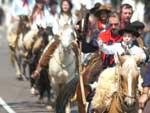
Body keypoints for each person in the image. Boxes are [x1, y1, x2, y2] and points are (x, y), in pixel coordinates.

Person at [32, 0, 78, 78]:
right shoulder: (58, 16)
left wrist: (74, 35)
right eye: (63, 5)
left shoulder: (74, 17)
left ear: (70, 6)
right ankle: (38, 70)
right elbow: (55, 29)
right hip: (59, 38)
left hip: (70, 39)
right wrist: (59, 35)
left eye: (66, 5)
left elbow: (75, 29)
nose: (65, 6)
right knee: (47, 49)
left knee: (78, 50)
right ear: (61, 6)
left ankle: (79, 70)